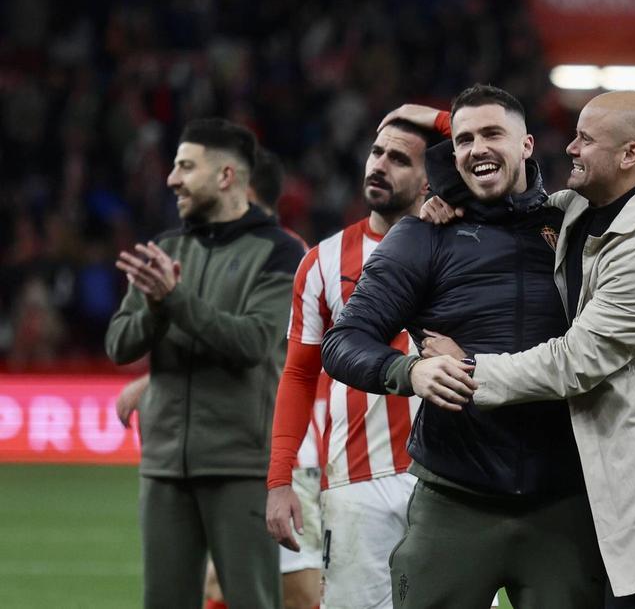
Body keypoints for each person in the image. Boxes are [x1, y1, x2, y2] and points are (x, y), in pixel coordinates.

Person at [410, 90, 635, 607]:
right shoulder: (586, 209)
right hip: (624, 480)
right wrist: (447, 186)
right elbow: (500, 172)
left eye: (586, 139)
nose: (570, 147)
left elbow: (573, 363)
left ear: (629, 154)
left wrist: (468, 371)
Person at [105, 118, 305, 608]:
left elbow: (253, 343)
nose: (172, 178)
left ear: (226, 177)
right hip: (164, 464)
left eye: (185, 167)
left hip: (239, 464)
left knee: (253, 601)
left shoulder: (279, 253)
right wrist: (154, 309)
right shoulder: (166, 249)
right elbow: (118, 343)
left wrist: (174, 299)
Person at [264, 119, 441, 609]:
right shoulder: (321, 261)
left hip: (451, 476)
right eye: (377, 152)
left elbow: (494, 131)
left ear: (431, 179)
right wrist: (280, 482)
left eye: (399, 158)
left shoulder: (462, 244)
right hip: (357, 482)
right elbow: (298, 374)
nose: (380, 164)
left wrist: (418, 114)